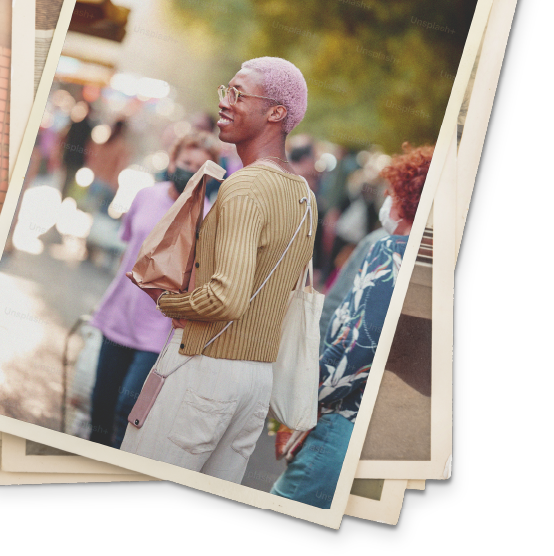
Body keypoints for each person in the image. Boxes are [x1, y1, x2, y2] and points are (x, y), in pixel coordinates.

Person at [120, 56, 318, 484]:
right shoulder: (303, 192)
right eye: (225, 92)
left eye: (238, 94)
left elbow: (226, 297)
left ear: (276, 113)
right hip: (256, 381)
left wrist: (166, 301)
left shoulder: (244, 186)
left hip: (205, 368)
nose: (225, 103)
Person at [269, 143, 433, 508]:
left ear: (408, 198)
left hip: (343, 423)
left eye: (393, 191)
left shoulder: (391, 252)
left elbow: (357, 348)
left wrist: (298, 402)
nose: (387, 200)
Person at [88, 131, 221, 448]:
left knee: (129, 411)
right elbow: (129, 246)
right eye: (185, 161)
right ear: (173, 160)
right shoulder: (146, 195)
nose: (189, 169)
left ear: (210, 174)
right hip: (120, 315)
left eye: (199, 166)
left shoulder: (208, 217)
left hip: (160, 330)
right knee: (101, 404)